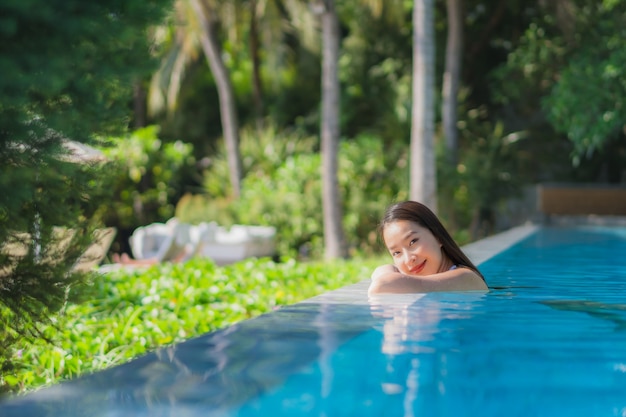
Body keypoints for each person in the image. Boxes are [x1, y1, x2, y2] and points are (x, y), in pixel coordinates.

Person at [368, 200, 488, 295]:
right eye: (396, 253)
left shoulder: (466, 278)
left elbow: (381, 285)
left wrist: (384, 274)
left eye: (413, 242)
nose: (409, 259)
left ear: (437, 236)